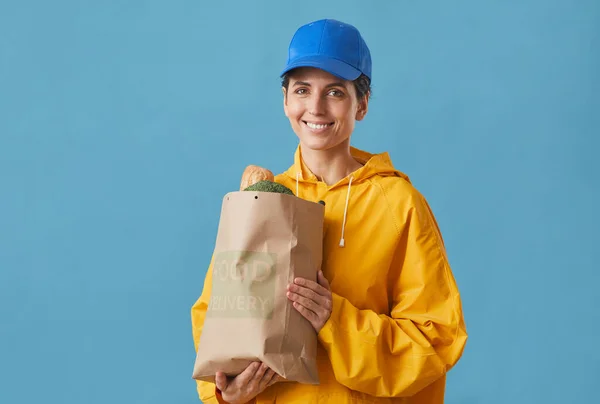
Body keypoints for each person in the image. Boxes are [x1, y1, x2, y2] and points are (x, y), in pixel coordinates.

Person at [191, 18, 468, 404]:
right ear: (285, 100)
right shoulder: (260, 202)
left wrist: (335, 320)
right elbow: (215, 317)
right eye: (302, 90)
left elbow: (437, 337)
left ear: (363, 104)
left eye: (335, 92)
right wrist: (227, 394)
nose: (316, 107)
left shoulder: (399, 204)